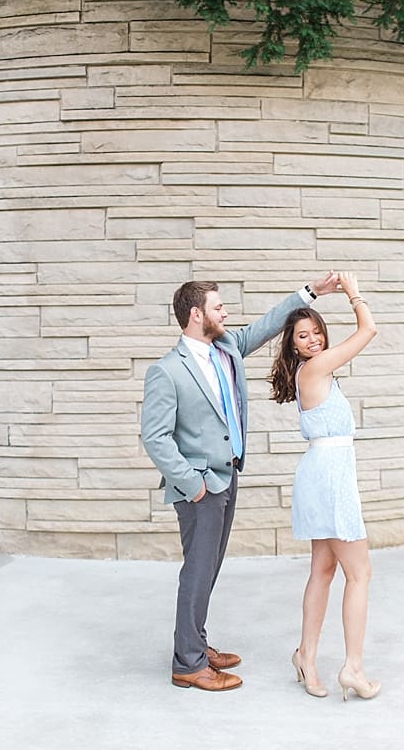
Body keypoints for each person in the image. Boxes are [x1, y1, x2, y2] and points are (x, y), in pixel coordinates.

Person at [141, 273, 339, 691]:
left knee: (207, 568)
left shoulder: (226, 347)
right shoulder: (167, 371)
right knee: (197, 571)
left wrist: (311, 292)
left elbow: (268, 324)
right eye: (217, 306)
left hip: (227, 476)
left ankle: (194, 642)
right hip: (199, 487)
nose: (225, 312)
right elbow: (155, 436)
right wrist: (191, 483)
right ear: (196, 315)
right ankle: (188, 664)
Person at [269, 271, 380, 701]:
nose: (313, 340)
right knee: (360, 572)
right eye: (303, 335)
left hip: (322, 472)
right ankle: (352, 668)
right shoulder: (315, 368)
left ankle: (306, 656)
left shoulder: (314, 370)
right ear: (292, 345)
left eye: (316, 332)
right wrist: (353, 291)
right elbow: (369, 329)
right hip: (329, 477)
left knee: (324, 569)